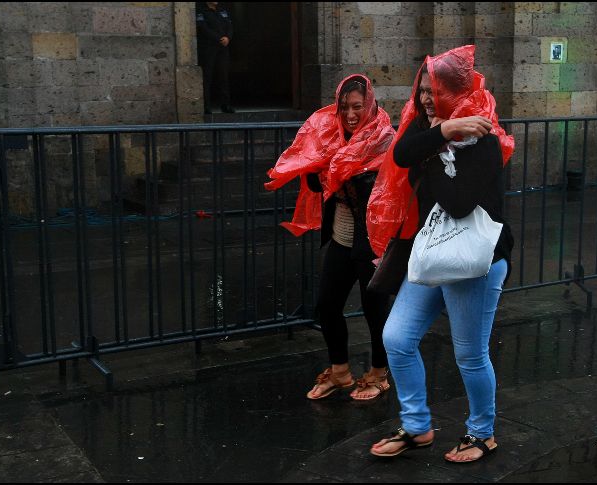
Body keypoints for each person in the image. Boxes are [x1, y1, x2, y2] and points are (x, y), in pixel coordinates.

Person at [365, 45, 515, 462]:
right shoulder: (428, 129)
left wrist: (433, 152)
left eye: (437, 91)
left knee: (469, 353)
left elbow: (457, 203)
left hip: (475, 260)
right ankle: (416, 427)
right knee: (396, 338)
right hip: (431, 251)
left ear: (458, 92)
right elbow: (400, 153)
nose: (427, 99)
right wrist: (442, 135)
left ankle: (482, 433)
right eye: (424, 90)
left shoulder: (485, 140)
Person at [265, 75, 396, 401]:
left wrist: (346, 167)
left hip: (374, 240)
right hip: (341, 235)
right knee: (327, 305)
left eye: (357, 106)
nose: (350, 114)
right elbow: (315, 188)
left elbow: (390, 194)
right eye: (344, 107)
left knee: (373, 309)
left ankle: (380, 373)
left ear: (370, 105)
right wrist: (314, 163)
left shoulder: (385, 140)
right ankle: (340, 372)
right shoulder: (330, 137)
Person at [196, 2, 235, 114]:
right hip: (208, 48)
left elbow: (230, 25)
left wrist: (228, 37)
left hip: (223, 49)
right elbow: (203, 28)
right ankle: (206, 106)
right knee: (207, 77)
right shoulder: (201, 11)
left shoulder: (222, 10)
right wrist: (219, 38)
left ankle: (225, 105)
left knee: (223, 76)